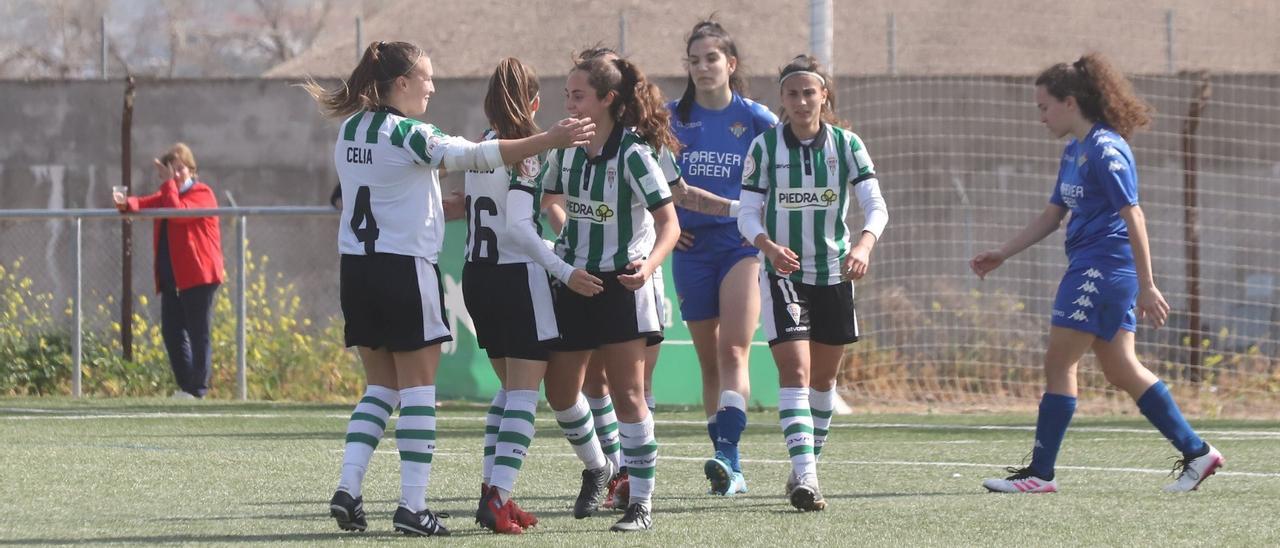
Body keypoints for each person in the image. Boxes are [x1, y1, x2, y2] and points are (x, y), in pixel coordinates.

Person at [301, 40, 593, 537]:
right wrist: (548, 140)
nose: (432, 87)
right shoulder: (410, 132)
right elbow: (477, 155)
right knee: (418, 391)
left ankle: (348, 488)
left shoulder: (350, 127)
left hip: (356, 268)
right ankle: (412, 508)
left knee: (379, 389)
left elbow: (404, 179)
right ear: (401, 84)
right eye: (426, 78)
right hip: (404, 268)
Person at [971, 53, 1224, 494]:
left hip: (1101, 269)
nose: (1041, 117)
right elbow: (1053, 216)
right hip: (1094, 266)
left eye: (1044, 107)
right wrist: (1003, 252)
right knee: (1122, 368)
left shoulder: (1106, 150)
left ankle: (1040, 475)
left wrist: (1147, 285)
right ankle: (1198, 452)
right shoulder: (1075, 150)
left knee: (1058, 361)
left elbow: (1135, 215)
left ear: (1070, 102)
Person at [738, 55, 888, 511]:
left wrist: (862, 247)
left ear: (824, 96)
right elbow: (746, 213)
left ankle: (804, 465)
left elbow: (876, 205)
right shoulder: (764, 148)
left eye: (809, 92)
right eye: (792, 93)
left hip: (836, 275)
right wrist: (767, 245)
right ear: (781, 100)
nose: (801, 101)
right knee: (796, 373)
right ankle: (807, 477)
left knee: (824, 382)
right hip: (784, 275)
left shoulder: (846, 145)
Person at [539, 54, 679, 532]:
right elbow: (551, 199)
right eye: (567, 94)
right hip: (576, 283)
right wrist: (569, 236)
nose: (569, 103)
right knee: (560, 392)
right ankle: (601, 467)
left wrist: (648, 267)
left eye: (578, 95)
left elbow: (669, 224)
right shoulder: (565, 148)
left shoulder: (636, 154)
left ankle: (640, 503)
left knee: (628, 396)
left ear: (607, 100)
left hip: (622, 285)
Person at [465, 57, 604, 534]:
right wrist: (564, 270)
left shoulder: (483, 144)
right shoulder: (528, 152)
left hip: (476, 276)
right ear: (536, 103)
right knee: (524, 394)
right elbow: (521, 230)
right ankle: (498, 499)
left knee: (507, 393)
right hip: (514, 279)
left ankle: (492, 491)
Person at [668, 19, 777, 497]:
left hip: (739, 246)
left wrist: (763, 226)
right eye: (694, 60)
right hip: (691, 250)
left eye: (711, 58)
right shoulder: (670, 119)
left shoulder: (757, 119)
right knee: (708, 361)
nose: (702, 67)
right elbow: (644, 181)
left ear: (730, 64)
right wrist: (664, 228)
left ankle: (730, 459)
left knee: (734, 348)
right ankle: (725, 467)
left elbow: (785, 176)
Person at [114, 143, 223, 400]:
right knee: (172, 332)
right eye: (171, 169)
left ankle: (198, 389)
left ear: (191, 169)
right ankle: (187, 387)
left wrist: (168, 183)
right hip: (173, 279)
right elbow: (144, 203)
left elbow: (177, 214)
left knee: (199, 333)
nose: (176, 174)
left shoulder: (202, 193)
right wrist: (124, 203)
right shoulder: (170, 193)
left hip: (199, 275)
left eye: (180, 168)